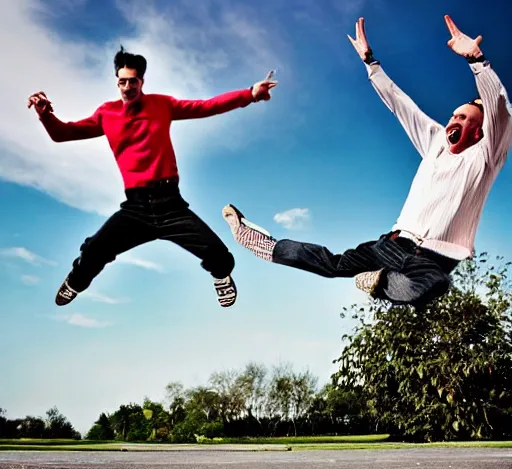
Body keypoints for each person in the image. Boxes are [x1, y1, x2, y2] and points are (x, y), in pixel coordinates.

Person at [222, 15, 511, 310]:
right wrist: (371, 63)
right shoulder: (436, 141)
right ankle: (263, 243)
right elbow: (402, 104)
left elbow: (500, 111)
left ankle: (380, 283)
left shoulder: (486, 156)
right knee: (333, 264)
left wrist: (477, 60)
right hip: (392, 244)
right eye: (453, 116)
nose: (453, 121)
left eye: (463, 119)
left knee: (435, 286)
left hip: (433, 259)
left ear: (479, 131)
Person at [27, 46, 277, 308]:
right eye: (121, 82)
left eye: (132, 81)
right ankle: (75, 283)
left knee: (220, 256)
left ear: (141, 82)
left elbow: (206, 107)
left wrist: (250, 94)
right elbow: (63, 134)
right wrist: (45, 114)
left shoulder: (162, 104)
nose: (126, 87)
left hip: (171, 205)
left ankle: (222, 277)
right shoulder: (106, 114)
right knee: (93, 250)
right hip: (136, 208)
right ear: (117, 82)